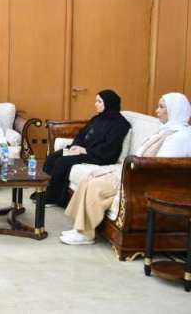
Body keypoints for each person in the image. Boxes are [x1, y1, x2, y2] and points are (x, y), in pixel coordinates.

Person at [60, 92, 191, 245]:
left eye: (161, 107)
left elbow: (161, 167)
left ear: (175, 111)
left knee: (96, 187)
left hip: (141, 179)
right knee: (89, 178)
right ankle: (79, 227)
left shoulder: (180, 137)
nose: (157, 111)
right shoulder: (166, 130)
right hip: (134, 170)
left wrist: (131, 169)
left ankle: (85, 235)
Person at [40, 90, 131, 207]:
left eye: (99, 102)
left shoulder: (120, 124)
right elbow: (81, 134)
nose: (95, 104)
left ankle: (53, 198)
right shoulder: (97, 118)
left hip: (99, 156)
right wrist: (75, 146)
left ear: (109, 103)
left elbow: (110, 147)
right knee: (53, 157)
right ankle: (44, 192)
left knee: (62, 162)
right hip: (82, 152)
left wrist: (85, 150)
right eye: (96, 101)